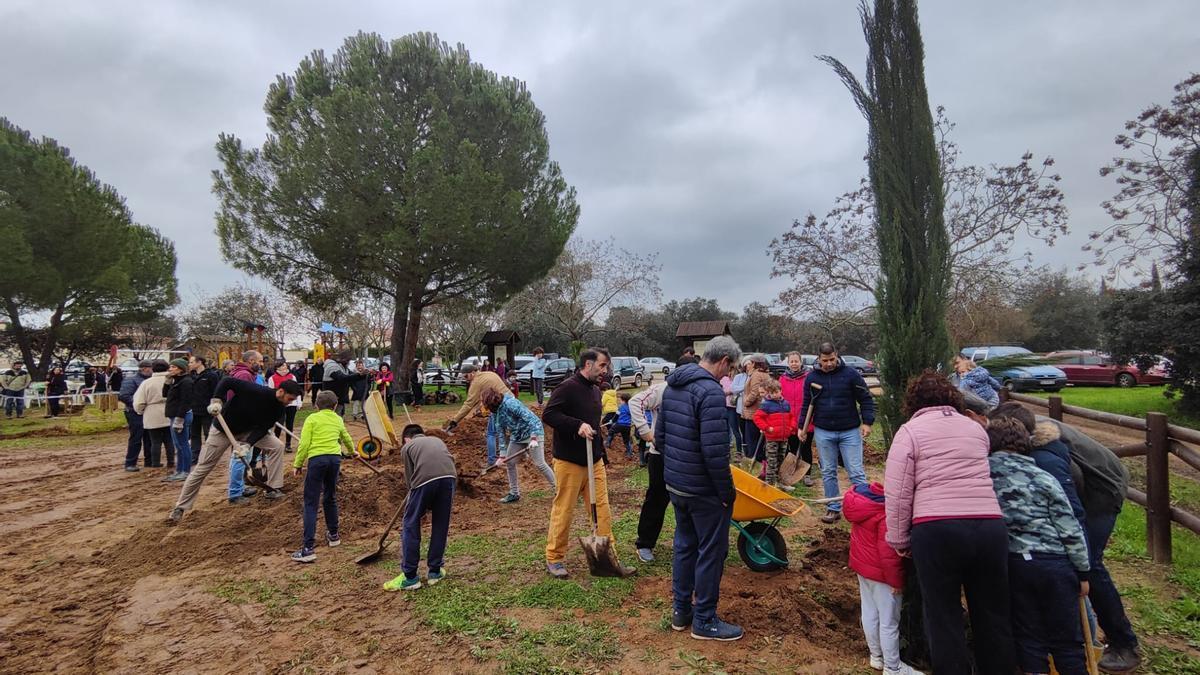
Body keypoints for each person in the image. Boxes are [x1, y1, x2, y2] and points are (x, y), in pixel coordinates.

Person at [987, 402, 1142, 673]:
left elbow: (1071, 512)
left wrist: (1077, 565)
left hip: (1102, 488)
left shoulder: (1046, 459)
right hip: (1074, 494)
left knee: (1089, 566)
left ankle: (1123, 643)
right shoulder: (1025, 441)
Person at [884, 371, 1014, 675]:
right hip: (988, 528)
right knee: (992, 612)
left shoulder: (910, 432)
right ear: (954, 399)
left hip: (937, 530)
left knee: (943, 615)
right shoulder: (975, 431)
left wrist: (900, 539)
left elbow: (899, 492)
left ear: (913, 401)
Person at [986, 417, 1091, 675]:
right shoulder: (1044, 478)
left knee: (1028, 635)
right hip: (1055, 563)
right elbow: (1069, 526)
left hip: (1014, 564)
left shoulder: (983, 477)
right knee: (1067, 637)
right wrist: (1083, 571)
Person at [658, 336, 743, 641]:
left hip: (677, 486)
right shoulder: (709, 391)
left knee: (684, 546)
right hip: (703, 491)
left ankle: (681, 611)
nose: (729, 374)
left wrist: (676, 473)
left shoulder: (672, 386)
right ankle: (704, 619)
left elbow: (661, 438)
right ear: (722, 361)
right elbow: (715, 452)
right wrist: (725, 493)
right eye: (730, 368)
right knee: (710, 551)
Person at [542, 348, 635, 579]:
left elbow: (594, 424)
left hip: (594, 462)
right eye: (602, 366)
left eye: (606, 366)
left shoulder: (595, 391)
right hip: (569, 462)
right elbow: (549, 415)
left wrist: (601, 453)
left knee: (602, 511)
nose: (606, 370)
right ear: (587, 364)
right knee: (564, 509)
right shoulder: (567, 388)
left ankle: (608, 558)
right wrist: (577, 425)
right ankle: (554, 558)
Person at [167, 377, 302, 522]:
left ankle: (273, 489)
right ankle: (180, 507)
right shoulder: (256, 391)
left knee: (277, 446)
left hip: (247, 431)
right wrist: (217, 401)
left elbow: (263, 428)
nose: (290, 402)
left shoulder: (279, 409)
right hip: (222, 430)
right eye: (290, 398)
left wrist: (248, 445)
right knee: (203, 468)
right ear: (281, 391)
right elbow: (227, 382)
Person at [843, 481, 922, 675]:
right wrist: (896, 582)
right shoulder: (885, 513)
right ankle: (893, 668)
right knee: (889, 622)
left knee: (869, 612)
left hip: (863, 569)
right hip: (882, 576)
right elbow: (889, 555)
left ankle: (876, 657)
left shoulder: (861, 503)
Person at [799, 343, 874, 524]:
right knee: (828, 471)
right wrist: (802, 426)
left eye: (832, 359)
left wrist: (867, 422)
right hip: (824, 431)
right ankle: (833, 508)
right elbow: (806, 404)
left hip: (850, 431)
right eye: (825, 361)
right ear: (819, 359)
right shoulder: (812, 378)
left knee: (855, 471)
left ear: (837, 355)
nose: (829, 363)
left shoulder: (851, 375)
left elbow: (865, 398)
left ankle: (864, 508)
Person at [383, 424, 457, 591]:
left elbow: (411, 482)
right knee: (440, 525)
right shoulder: (437, 440)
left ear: (406, 439)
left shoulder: (407, 447)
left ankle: (410, 577)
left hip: (425, 481)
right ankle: (435, 572)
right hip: (450, 478)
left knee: (410, 524)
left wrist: (418, 508)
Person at [290, 390, 354, 563]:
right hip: (334, 460)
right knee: (330, 496)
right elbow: (346, 437)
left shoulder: (312, 419)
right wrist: (353, 451)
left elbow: (304, 444)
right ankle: (334, 535)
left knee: (311, 502)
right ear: (335, 406)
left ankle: (308, 548)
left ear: (316, 405)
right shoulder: (338, 419)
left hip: (317, 460)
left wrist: (298, 464)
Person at [483, 388, 556, 504]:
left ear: (496, 400)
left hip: (533, 432)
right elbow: (500, 432)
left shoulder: (511, 403)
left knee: (540, 463)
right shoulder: (494, 412)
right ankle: (514, 493)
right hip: (517, 436)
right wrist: (502, 455)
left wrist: (533, 438)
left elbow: (533, 419)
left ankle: (559, 490)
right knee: (509, 462)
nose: (491, 410)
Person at [444, 363, 511, 468]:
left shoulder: (476, 382)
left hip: (500, 406)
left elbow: (468, 404)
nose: (465, 379)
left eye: (466, 376)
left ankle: (492, 461)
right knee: (506, 430)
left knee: (491, 434)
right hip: (511, 401)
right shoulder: (489, 373)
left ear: (473, 373)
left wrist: (455, 420)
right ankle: (514, 455)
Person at [630, 381, 667, 562]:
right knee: (656, 499)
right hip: (660, 455)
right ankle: (645, 543)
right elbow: (635, 402)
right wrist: (645, 432)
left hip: (686, 456)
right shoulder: (663, 389)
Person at [226, 351, 265, 500]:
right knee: (241, 456)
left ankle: (239, 488)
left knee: (242, 456)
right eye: (260, 361)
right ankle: (235, 493)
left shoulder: (246, 373)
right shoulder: (244, 375)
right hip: (243, 421)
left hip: (243, 419)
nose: (262, 364)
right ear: (251, 360)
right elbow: (245, 400)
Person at [780, 351, 815, 487]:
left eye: (796, 361)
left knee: (806, 448)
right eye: (791, 361)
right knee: (792, 448)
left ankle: (807, 475)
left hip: (806, 419)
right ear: (788, 363)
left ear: (801, 362)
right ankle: (790, 472)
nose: (794, 364)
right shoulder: (783, 378)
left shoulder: (809, 377)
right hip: (790, 420)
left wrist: (810, 418)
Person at [752, 379, 794, 489]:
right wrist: (767, 428)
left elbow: (791, 417)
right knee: (772, 461)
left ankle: (779, 482)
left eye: (776, 392)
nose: (774, 394)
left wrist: (791, 427)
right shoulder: (766, 405)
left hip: (784, 438)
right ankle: (769, 484)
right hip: (772, 438)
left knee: (781, 459)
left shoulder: (786, 404)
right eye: (771, 393)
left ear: (780, 391)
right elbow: (757, 417)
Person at [134, 360, 171, 468]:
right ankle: (171, 461)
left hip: (152, 413)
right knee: (169, 440)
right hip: (169, 411)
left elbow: (139, 402)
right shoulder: (171, 380)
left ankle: (155, 463)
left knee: (155, 441)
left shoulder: (147, 383)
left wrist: (140, 411)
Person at [162, 358, 194, 482]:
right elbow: (165, 394)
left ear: (181, 369)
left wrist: (179, 419)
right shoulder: (176, 381)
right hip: (174, 415)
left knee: (183, 444)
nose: (170, 369)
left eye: (173, 367)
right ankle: (179, 470)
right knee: (179, 445)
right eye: (170, 367)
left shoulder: (186, 382)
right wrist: (167, 381)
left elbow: (185, 401)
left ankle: (185, 471)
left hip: (180, 416)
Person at [739, 354, 772, 469]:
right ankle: (762, 466)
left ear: (754, 363)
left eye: (750, 363)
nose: (748, 365)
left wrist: (746, 402)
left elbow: (755, 392)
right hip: (762, 412)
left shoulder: (757, 375)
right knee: (760, 442)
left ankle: (755, 467)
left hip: (753, 413)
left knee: (752, 441)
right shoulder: (766, 374)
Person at [188, 356, 221, 466]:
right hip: (193, 410)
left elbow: (216, 392)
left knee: (209, 434)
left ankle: (209, 457)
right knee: (194, 434)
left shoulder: (211, 375)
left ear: (200, 362)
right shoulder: (191, 376)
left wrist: (214, 406)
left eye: (192, 362)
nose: (190, 364)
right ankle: (194, 456)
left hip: (207, 411)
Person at [119, 361, 152, 472]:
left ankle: (150, 460)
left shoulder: (149, 380)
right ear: (144, 368)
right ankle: (130, 462)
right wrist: (139, 403)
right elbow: (124, 396)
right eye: (150, 368)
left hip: (148, 412)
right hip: (134, 412)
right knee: (136, 438)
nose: (152, 370)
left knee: (149, 437)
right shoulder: (131, 380)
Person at [268, 360, 301, 452]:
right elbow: (271, 391)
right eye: (282, 366)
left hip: (292, 404)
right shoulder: (272, 378)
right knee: (279, 424)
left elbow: (296, 390)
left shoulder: (292, 376)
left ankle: (288, 444)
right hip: (279, 404)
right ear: (277, 367)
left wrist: (298, 402)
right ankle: (276, 443)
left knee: (289, 424)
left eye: (285, 366)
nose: (284, 367)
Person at [720, 367, 743, 458]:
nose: (730, 373)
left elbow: (736, 391)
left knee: (735, 430)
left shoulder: (738, 380)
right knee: (724, 429)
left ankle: (739, 451)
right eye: (729, 371)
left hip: (733, 407)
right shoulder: (724, 379)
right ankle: (725, 450)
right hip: (724, 405)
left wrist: (730, 391)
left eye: (732, 372)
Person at [609, 392, 634, 459]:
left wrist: (612, 421)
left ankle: (607, 444)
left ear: (623, 400)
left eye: (620, 400)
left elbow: (616, 416)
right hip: (627, 426)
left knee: (611, 431)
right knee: (626, 439)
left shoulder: (621, 407)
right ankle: (629, 453)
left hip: (619, 424)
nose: (620, 401)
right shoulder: (631, 407)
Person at [600, 382, 619, 446]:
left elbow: (602, 403)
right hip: (615, 410)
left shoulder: (605, 394)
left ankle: (611, 431)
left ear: (605, 389)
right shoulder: (613, 393)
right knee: (609, 422)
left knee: (604, 421)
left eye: (602, 390)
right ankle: (611, 431)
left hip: (610, 411)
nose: (602, 392)